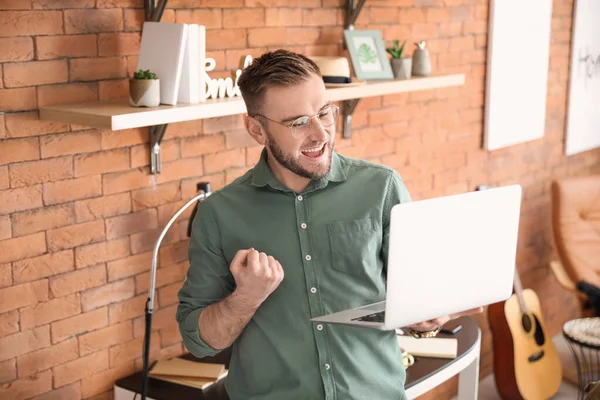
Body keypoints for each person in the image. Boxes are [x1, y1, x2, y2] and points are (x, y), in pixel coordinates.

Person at [177, 49, 482, 400]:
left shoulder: (381, 188)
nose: (320, 134)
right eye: (299, 122)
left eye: (325, 113)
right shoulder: (220, 213)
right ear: (256, 130)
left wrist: (425, 316)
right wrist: (246, 297)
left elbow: (415, 297)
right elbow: (198, 341)